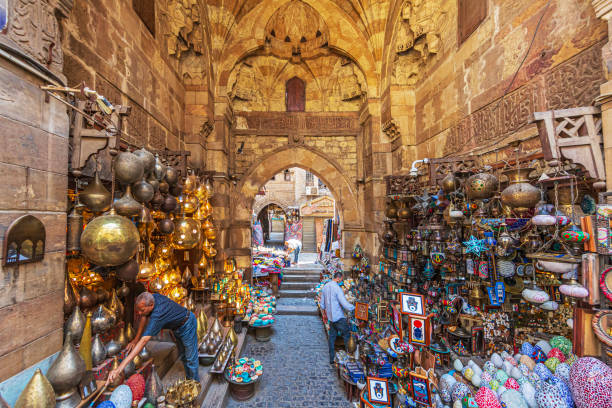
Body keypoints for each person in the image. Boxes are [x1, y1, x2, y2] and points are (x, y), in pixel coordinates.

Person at [107, 292, 199, 383]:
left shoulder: (158, 314)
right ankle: (189, 381)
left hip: (187, 325)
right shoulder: (153, 297)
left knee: (191, 359)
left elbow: (144, 341)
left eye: (142, 310)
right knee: (183, 356)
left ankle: (195, 387)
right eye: (138, 310)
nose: (139, 313)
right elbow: (144, 316)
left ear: (151, 305)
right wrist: (135, 340)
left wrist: (119, 369)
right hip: (177, 327)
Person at [320, 271, 355, 364]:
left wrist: (324, 315)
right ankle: (349, 358)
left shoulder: (325, 287)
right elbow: (344, 303)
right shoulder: (337, 288)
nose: (341, 281)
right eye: (341, 279)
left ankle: (331, 358)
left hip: (331, 318)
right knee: (346, 336)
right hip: (339, 317)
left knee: (331, 338)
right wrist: (353, 307)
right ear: (339, 278)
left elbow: (322, 304)